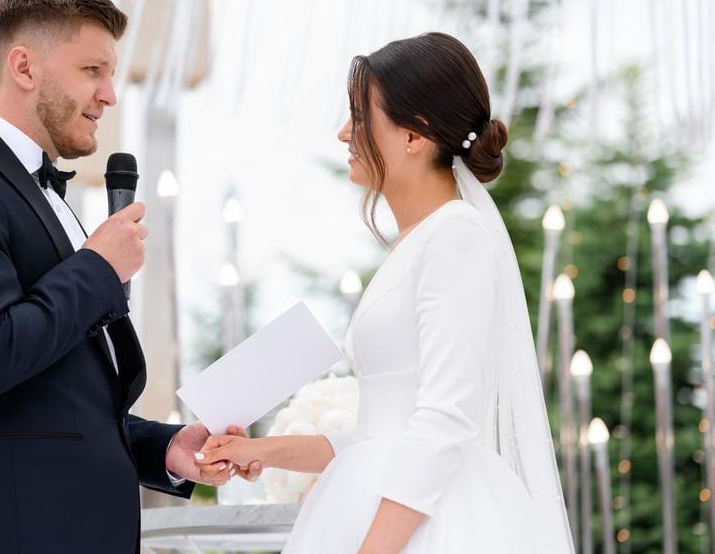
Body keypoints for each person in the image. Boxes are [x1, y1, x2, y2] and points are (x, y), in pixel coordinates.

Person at [0, 0, 258, 554]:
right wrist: (97, 268)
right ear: (24, 67)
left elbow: (57, 402)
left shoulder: (46, 196)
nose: (110, 94)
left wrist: (163, 448)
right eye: (92, 70)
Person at [193, 33, 574, 553]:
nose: (344, 132)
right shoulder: (417, 242)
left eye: (359, 116)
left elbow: (445, 418)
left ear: (414, 137)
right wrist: (258, 448)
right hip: (377, 498)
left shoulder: (456, 237)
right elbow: (377, 438)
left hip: (430, 522)